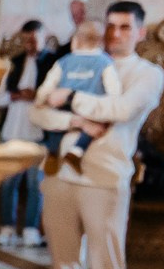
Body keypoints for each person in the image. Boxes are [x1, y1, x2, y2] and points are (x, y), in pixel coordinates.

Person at [31, 0, 164, 269]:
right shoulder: (76, 63)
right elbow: (38, 111)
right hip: (59, 172)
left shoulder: (147, 73)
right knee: (64, 259)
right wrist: (76, 118)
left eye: (125, 27)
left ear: (140, 31)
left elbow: (121, 110)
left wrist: (71, 99)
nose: (116, 33)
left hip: (105, 176)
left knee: (106, 265)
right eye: (110, 26)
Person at [31, 19, 117, 174]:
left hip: (63, 105)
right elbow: (114, 91)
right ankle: (77, 151)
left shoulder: (64, 61)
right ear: (101, 42)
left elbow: (48, 84)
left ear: (75, 41)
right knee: (95, 124)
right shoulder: (105, 62)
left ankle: (52, 152)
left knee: (55, 124)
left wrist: (40, 100)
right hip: (89, 107)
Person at [0, 19, 45, 248]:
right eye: (27, 40)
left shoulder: (51, 63)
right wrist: (18, 95)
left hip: (37, 132)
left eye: (34, 39)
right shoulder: (14, 63)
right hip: (13, 130)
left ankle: (31, 229)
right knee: (8, 183)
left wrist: (34, 95)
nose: (30, 44)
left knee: (36, 184)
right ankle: (7, 227)